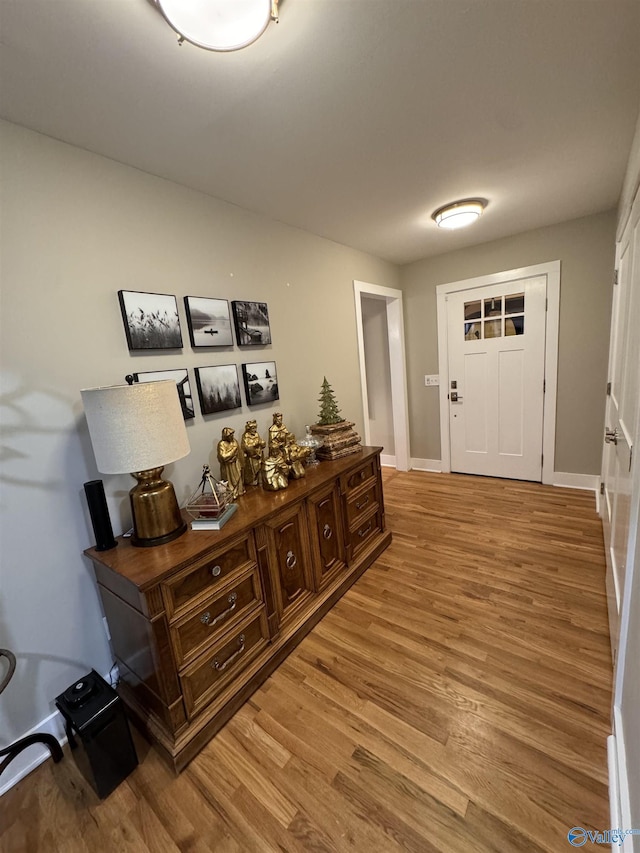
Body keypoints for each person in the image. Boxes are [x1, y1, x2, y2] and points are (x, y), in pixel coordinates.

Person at [217, 427, 245, 500]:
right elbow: (224, 456)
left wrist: (242, 463)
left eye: (232, 435)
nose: (232, 437)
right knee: (230, 481)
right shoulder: (221, 444)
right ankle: (233, 493)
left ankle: (239, 490)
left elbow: (239, 453)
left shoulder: (234, 441)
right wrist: (233, 450)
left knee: (238, 477)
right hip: (228, 466)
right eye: (230, 435)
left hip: (236, 464)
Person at [241, 419, 266, 486]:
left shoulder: (256, 434)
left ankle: (259, 479)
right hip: (251, 456)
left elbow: (260, 441)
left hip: (258, 454)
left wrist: (262, 443)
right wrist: (255, 444)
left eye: (255, 428)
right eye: (253, 428)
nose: (254, 430)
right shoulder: (245, 436)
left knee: (259, 467)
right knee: (252, 469)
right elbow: (246, 447)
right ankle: (252, 480)